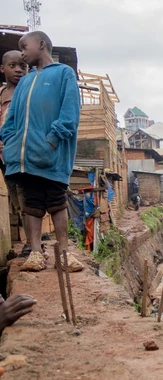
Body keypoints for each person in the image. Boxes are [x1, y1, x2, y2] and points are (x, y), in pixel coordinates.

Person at [0, 31, 81, 272]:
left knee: (56, 201)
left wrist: (52, 140)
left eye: (25, 47)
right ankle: (35, 253)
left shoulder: (63, 74)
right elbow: (11, 118)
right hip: (25, 157)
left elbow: (70, 113)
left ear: (41, 44)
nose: (22, 53)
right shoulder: (24, 82)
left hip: (51, 153)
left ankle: (64, 253)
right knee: (31, 203)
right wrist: (10, 140)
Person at [0, 51, 31, 255]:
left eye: (23, 66)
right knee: (14, 197)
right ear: (3, 69)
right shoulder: (1, 94)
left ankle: (32, 243)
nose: (19, 69)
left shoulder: (29, 91)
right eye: (13, 65)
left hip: (20, 153)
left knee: (26, 197)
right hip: (2, 154)